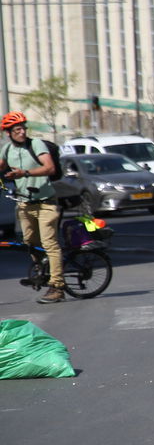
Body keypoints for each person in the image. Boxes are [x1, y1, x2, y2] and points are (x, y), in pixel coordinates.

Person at [0, 111, 64, 303]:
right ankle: (43, 270)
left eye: (23, 128)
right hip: (24, 204)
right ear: (8, 133)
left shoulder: (36, 144)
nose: (22, 132)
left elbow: (50, 168)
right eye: (17, 130)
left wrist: (25, 173)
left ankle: (57, 287)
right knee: (30, 243)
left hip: (45, 203)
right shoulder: (7, 149)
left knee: (49, 244)